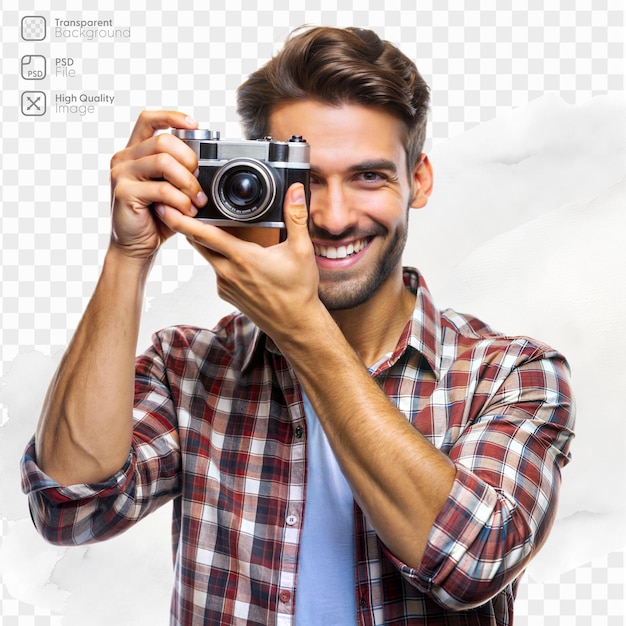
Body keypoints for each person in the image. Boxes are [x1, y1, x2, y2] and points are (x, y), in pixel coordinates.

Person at [21, 26, 575, 625]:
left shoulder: (514, 375)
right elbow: (68, 508)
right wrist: (126, 257)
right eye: (305, 180)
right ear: (261, 174)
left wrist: (301, 328)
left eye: (368, 176)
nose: (335, 218)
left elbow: (473, 563)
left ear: (418, 180)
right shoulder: (191, 367)